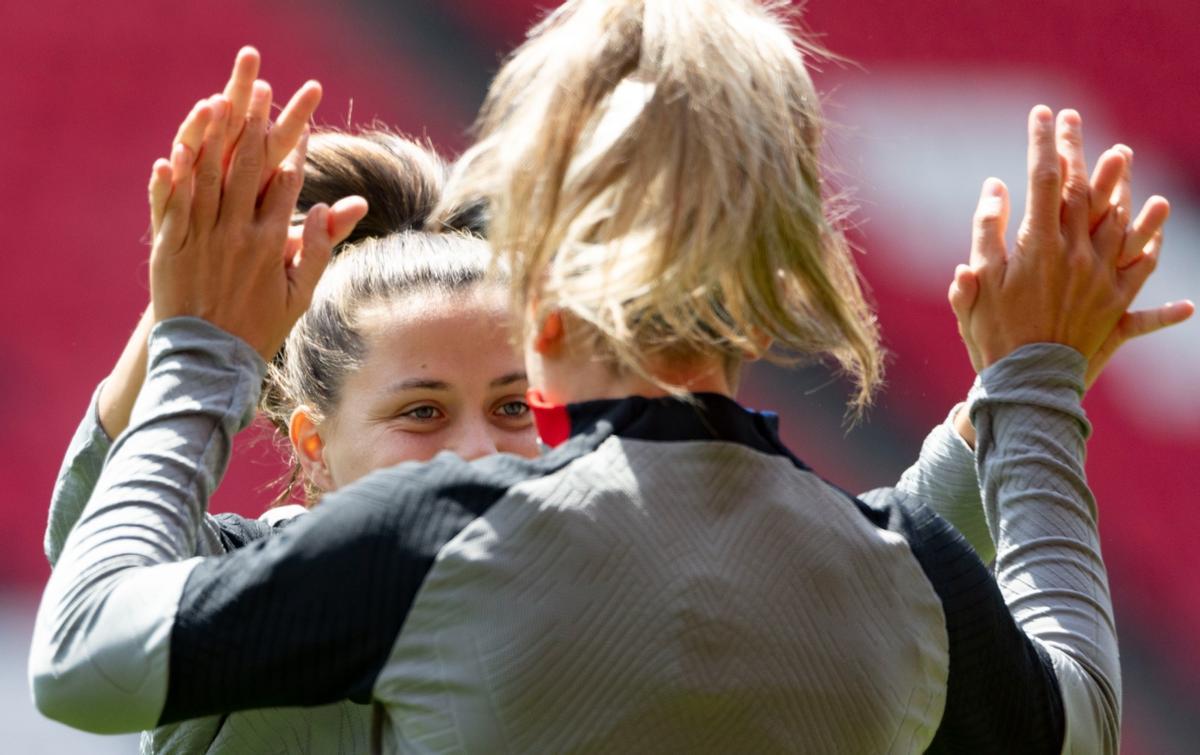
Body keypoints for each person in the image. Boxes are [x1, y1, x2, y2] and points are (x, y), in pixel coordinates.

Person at [30, 2, 1193, 753]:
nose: (476, 444)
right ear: (789, 267)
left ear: (536, 271)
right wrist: (1032, 386)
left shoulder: (434, 543)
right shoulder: (898, 577)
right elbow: (1077, 710)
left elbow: (88, 640)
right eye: (425, 410)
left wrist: (196, 335)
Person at [41, 51, 538, 753]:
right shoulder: (234, 588)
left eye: (514, 407)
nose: (480, 449)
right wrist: (187, 306)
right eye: (423, 411)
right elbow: (94, 543)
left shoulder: (592, 591)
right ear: (315, 446)